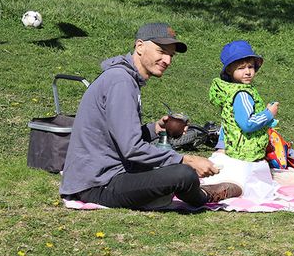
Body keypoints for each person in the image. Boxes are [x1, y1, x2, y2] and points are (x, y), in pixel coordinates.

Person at [59, 23, 241, 210]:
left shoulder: (123, 78)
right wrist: (186, 159)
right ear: (139, 47)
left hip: (103, 175)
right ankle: (202, 195)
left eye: (171, 55)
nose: (167, 60)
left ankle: (185, 188)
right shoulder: (121, 82)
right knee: (183, 174)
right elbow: (131, 149)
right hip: (98, 184)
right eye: (161, 51)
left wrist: (155, 129)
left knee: (175, 171)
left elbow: (119, 138)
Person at [208, 40, 279, 162]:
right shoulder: (242, 94)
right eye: (241, 68)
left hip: (234, 147)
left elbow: (228, 122)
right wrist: (268, 114)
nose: (247, 72)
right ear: (230, 71)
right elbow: (247, 124)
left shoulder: (230, 90)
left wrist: (222, 145)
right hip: (245, 152)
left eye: (250, 67)